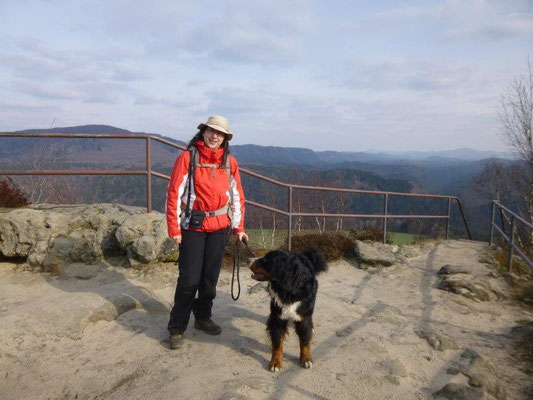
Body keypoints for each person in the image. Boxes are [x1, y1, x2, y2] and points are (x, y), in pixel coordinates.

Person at [166, 115, 248, 350]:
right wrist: (174, 227)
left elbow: (237, 195)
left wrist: (239, 227)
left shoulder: (229, 162)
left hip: (220, 227)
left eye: (220, 133)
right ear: (203, 132)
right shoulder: (187, 158)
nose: (214, 136)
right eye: (211, 131)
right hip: (193, 226)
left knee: (209, 280)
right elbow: (173, 193)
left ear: (225, 138)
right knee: (189, 279)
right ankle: (177, 327)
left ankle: (202, 318)